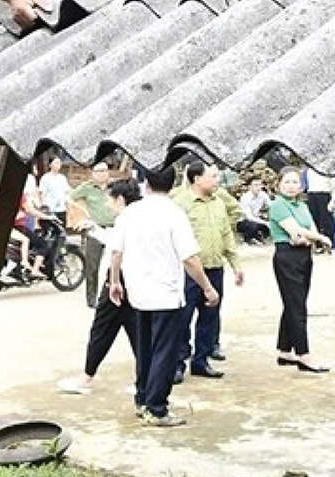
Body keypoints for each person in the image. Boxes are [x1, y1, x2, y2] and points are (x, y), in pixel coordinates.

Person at [107, 165, 217, 427]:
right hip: (166, 294)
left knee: (144, 349)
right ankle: (157, 408)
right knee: (164, 352)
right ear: (174, 184)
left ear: (145, 184)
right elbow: (189, 257)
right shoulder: (174, 214)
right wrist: (207, 287)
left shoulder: (129, 213)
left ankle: (143, 398)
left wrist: (114, 281)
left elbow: (116, 252)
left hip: (137, 292)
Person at [56, 178, 141, 395]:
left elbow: (117, 251)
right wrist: (94, 228)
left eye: (110, 201)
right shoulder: (140, 216)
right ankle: (144, 379)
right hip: (136, 282)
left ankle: (86, 377)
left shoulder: (126, 219)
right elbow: (114, 241)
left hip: (120, 281)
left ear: (120, 200)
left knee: (102, 330)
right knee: (137, 331)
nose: (107, 205)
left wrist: (113, 282)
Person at [172, 161, 242, 381]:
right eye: (212, 176)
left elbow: (226, 235)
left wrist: (236, 264)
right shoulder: (180, 203)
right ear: (196, 179)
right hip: (189, 270)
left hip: (215, 267)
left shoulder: (219, 202)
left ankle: (201, 361)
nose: (217, 180)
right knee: (183, 318)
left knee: (209, 317)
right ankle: (178, 363)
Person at [269, 169, 334, 373]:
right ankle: (304, 353)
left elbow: (308, 232)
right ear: (279, 184)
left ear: (301, 185)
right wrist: (320, 238)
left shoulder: (303, 205)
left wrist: (310, 237)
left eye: (295, 182)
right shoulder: (278, 205)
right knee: (297, 306)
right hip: (287, 256)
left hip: (304, 255)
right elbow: (295, 231)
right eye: (286, 181)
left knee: (295, 302)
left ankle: (285, 349)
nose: (291, 185)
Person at [67, 161, 118, 307]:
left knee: (114, 264)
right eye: (99, 171)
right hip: (94, 229)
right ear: (93, 174)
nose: (102, 174)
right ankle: (92, 298)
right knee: (92, 266)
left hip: (113, 228)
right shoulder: (87, 188)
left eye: (104, 171)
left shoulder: (114, 187)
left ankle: (112, 297)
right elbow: (70, 197)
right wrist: (83, 212)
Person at [235, 181, 272, 245]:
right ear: (250, 187)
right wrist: (266, 223)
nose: (258, 187)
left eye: (260, 185)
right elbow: (249, 217)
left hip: (256, 219)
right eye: (255, 185)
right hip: (243, 221)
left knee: (271, 225)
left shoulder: (263, 195)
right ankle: (247, 239)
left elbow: (271, 206)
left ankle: (259, 237)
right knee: (252, 226)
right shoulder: (245, 197)